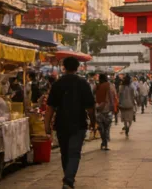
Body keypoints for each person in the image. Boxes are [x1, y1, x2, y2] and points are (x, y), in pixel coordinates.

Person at [45, 57, 96, 189]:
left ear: (64, 67)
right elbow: (90, 107)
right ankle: (68, 179)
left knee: (65, 152)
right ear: (78, 67)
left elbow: (50, 107)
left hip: (61, 123)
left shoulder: (57, 84)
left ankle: (68, 177)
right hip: (78, 123)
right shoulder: (83, 83)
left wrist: (47, 125)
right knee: (74, 153)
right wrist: (93, 122)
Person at [94, 73, 117, 150]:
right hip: (108, 110)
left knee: (101, 128)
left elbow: (93, 96)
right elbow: (113, 96)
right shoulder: (110, 86)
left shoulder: (96, 86)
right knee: (107, 128)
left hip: (99, 109)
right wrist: (113, 107)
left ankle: (103, 141)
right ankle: (105, 143)